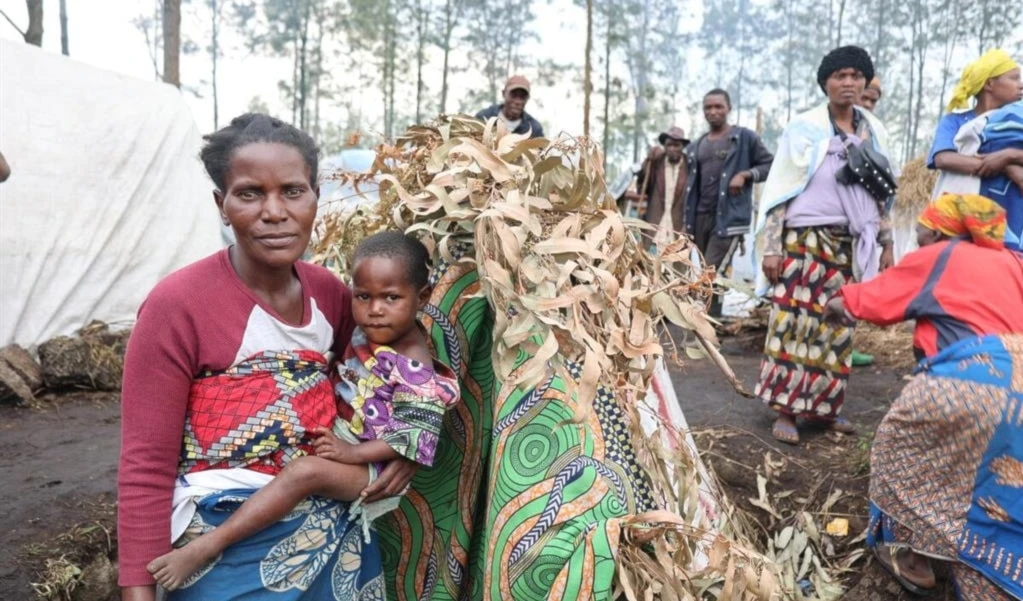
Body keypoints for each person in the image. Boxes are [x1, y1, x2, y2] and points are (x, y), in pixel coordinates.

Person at [117, 114, 416, 601]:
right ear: (222, 205)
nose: (274, 211)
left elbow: (374, 390)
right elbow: (145, 466)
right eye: (250, 193)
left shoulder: (335, 297)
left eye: (293, 191)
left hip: (335, 542)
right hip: (220, 547)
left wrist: (404, 451)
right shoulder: (178, 305)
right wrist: (138, 593)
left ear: (316, 196)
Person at [145, 231, 460, 591]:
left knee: (302, 473)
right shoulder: (370, 334)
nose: (375, 309)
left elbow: (413, 438)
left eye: (391, 298)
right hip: (349, 449)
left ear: (421, 298)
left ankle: (209, 545)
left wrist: (353, 452)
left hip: (375, 468)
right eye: (363, 296)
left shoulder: (414, 367)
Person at [824, 195, 1023, 599]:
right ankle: (986, 580)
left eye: (918, 235)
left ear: (937, 231)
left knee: (900, 454)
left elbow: (872, 301)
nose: (916, 244)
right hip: (1019, 388)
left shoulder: (940, 254)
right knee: (992, 484)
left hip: (969, 379)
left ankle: (917, 563)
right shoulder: (1011, 261)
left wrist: (835, 303)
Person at [751, 46, 895, 445]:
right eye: (839, 76)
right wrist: (772, 247)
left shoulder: (873, 131)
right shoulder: (805, 128)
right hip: (804, 241)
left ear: (865, 81)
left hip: (850, 243)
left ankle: (826, 408)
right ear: (826, 83)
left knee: (838, 325)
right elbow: (781, 189)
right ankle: (787, 410)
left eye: (855, 75)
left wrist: (886, 244)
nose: (848, 82)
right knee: (794, 322)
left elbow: (882, 193)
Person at [683, 88, 773, 316]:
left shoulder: (744, 138)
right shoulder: (696, 146)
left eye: (718, 107)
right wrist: (687, 223)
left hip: (728, 218)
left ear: (729, 109)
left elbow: (770, 165)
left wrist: (746, 175)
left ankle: (706, 326)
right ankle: (711, 323)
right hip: (699, 218)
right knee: (708, 272)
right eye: (708, 107)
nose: (713, 112)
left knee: (710, 272)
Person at [927, 49, 1023, 249]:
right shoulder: (956, 121)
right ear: (989, 84)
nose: (1021, 85)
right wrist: (1004, 166)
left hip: (1012, 216)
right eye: (1014, 78)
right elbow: (943, 158)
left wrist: (1007, 155)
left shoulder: (1017, 123)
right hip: (967, 218)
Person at [625, 127, 689, 248]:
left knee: (677, 263)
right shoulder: (655, 163)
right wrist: (648, 160)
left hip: (678, 227)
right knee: (650, 262)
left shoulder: (690, 165)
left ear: (683, 146)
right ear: (664, 146)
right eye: (669, 145)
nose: (672, 149)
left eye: (676, 145)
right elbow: (642, 183)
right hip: (655, 225)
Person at [475, 75, 545, 139]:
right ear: (504, 94)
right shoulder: (484, 118)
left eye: (522, 97)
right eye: (513, 95)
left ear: (527, 99)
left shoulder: (534, 129)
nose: (518, 102)